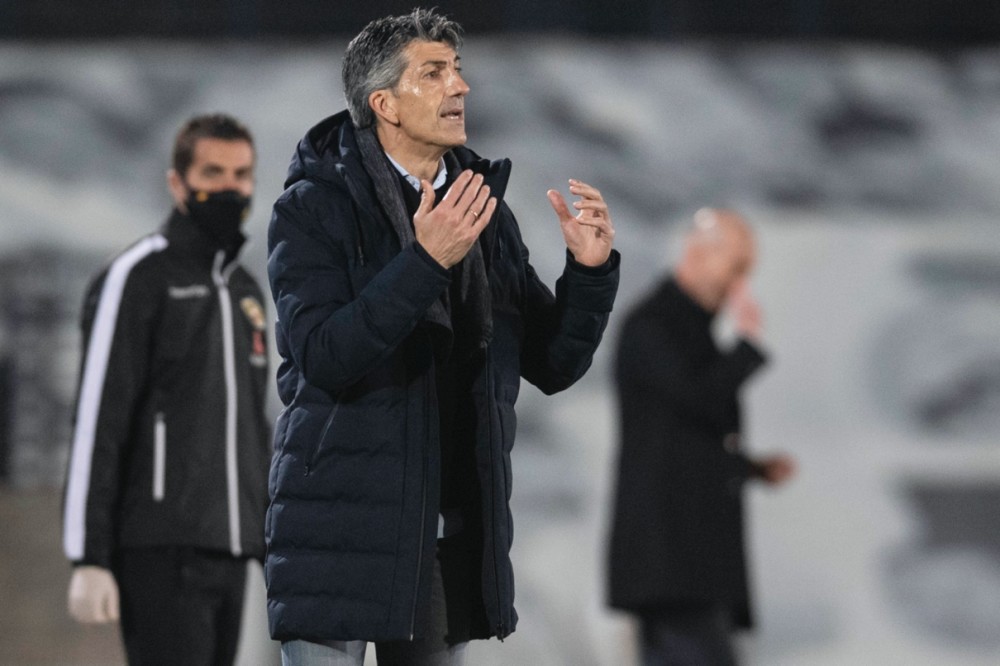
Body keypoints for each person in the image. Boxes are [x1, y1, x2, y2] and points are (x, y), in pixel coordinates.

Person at [265, 8, 620, 665]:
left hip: (440, 536)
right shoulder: (313, 207)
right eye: (434, 73)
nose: (460, 86)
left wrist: (590, 274)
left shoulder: (482, 213)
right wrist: (425, 262)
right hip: (338, 531)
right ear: (385, 105)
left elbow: (552, 362)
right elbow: (325, 354)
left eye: (457, 70)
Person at [62, 113, 272, 666]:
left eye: (241, 175)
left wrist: (267, 534)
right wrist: (88, 556)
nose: (229, 187)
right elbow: (98, 417)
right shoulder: (137, 275)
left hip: (231, 548)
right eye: (212, 172)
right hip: (160, 547)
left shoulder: (247, 292)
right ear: (177, 183)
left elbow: (254, 425)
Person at [606, 208, 794, 666]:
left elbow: (685, 438)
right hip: (670, 562)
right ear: (699, 254)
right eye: (737, 267)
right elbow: (697, 397)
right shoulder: (652, 325)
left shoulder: (686, 329)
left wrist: (750, 468)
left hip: (690, 569)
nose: (740, 285)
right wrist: (746, 346)